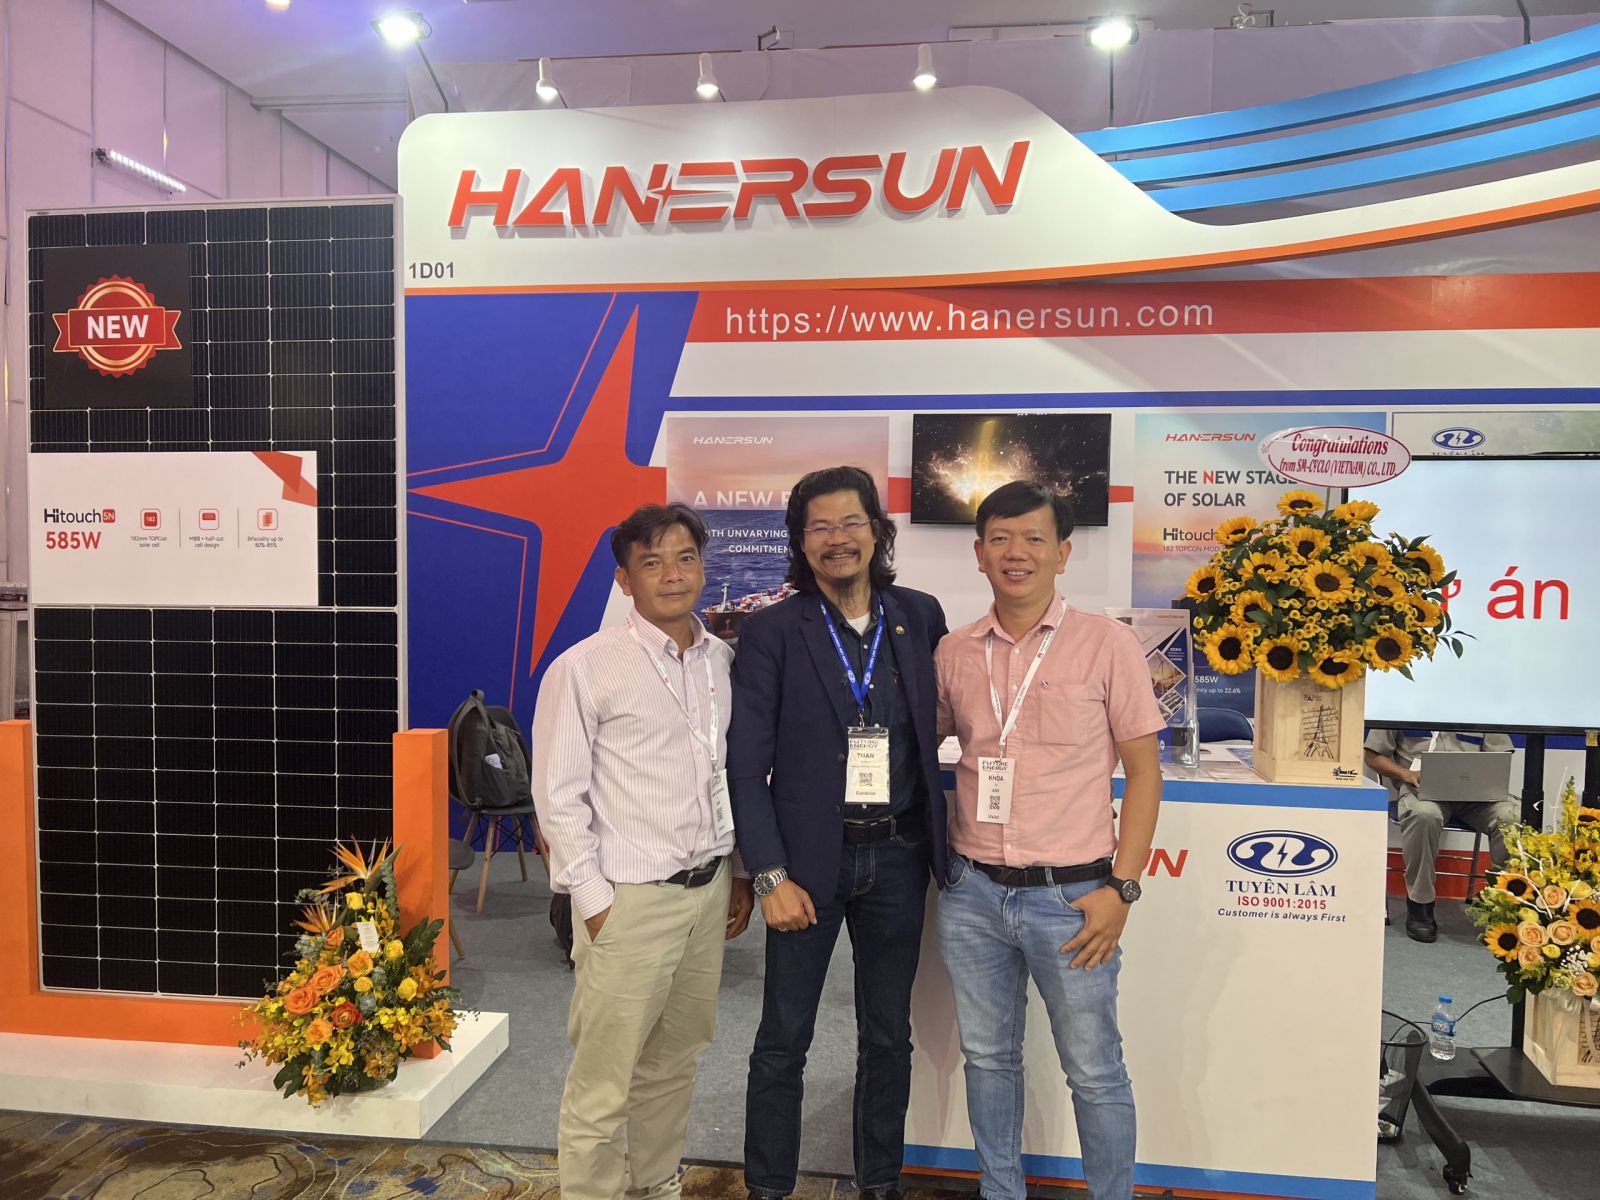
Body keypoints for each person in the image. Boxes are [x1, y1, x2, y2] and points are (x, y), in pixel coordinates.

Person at [934, 480, 1164, 1200]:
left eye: (1034, 539)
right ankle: (1000, 1192)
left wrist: (1122, 888)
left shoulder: (1108, 644)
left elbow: (1145, 773)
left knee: (1094, 1070)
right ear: (979, 554)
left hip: (1073, 898)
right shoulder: (954, 651)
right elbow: (919, 746)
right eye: (1000, 539)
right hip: (972, 894)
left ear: (1062, 553)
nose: (1017, 553)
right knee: (987, 1059)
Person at [727, 465, 948, 1200]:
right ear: (800, 542)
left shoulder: (920, 616)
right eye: (819, 527)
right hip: (805, 869)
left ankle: (879, 1183)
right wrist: (768, 874)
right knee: (783, 1040)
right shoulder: (770, 632)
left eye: (851, 522)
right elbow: (744, 766)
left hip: (899, 858)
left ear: (877, 531)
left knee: (887, 1037)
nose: (837, 539)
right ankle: (769, 1188)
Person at [531, 502, 755, 1200]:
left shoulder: (723, 662)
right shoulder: (585, 668)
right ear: (625, 580)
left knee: (675, 1062)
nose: (673, 574)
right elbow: (558, 797)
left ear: (702, 567)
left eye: (685, 558)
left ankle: (658, 1184)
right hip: (628, 902)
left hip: (708, 893)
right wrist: (593, 903)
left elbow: (731, 775)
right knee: (604, 1080)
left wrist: (738, 870)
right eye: (652, 563)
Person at [1363, 728, 1518, 943]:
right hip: (1422, 792)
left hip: (1477, 796)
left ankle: (1502, 904)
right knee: (1424, 815)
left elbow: (1502, 755)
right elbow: (1372, 755)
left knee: (1511, 817)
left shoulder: (1483, 710)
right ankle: (1420, 905)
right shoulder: (1399, 710)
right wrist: (1405, 774)